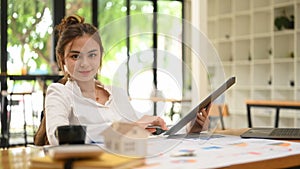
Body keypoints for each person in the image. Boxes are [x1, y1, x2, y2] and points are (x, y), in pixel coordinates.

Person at [45, 14, 210, 145]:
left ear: (100, 56)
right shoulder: (60, 93)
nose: (85, 63)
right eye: (75, 56)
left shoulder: (116, 93)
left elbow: (143, 134)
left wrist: (191, 129)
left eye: (92, 55)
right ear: (62, 59)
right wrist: (123, 129)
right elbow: (57, 136)